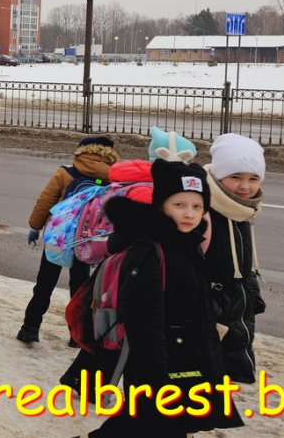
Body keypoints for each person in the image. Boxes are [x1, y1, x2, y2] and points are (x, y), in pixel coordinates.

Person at [84, 159, 243, 436]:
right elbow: (143, 321)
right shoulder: (150, 251)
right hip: (163, 367)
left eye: (197, 207)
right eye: (179, 204)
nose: (189, 214)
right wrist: (155, 382)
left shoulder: (185, 245)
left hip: (185, 362)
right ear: (161, 206)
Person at [16, 136, 119, 344]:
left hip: (59, 238)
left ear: (82, 150)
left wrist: (35, 226)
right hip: (86, 242)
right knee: (80, 289)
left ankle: (30, 328)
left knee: (45, 284)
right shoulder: (113, 179)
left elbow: (45, 201)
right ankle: (77, 336)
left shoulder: (66, 172)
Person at [205, 133, 266, 384]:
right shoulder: (205, 209)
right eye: (235, 177)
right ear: (219, 176)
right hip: (212, 307)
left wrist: (251, 293)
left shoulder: (241, 209)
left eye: (253, 178)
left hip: (235, 303)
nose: (245, 186)